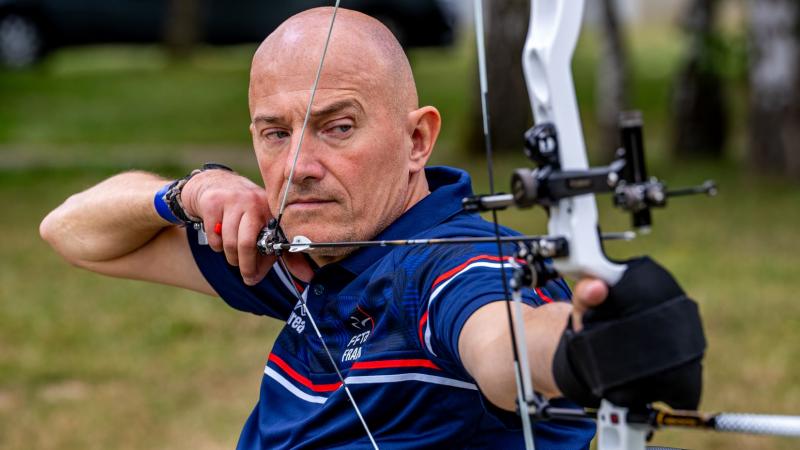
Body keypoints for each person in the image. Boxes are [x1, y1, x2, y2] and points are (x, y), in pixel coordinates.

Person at [40, 7, 703, 450]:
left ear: (417, 139)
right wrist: (190, 192)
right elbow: (71, 232)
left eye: (337, 127)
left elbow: (501, 343)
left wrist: (590, 348)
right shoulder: (304, 254)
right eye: (275, 134)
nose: (298, 167)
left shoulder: (446, 264)